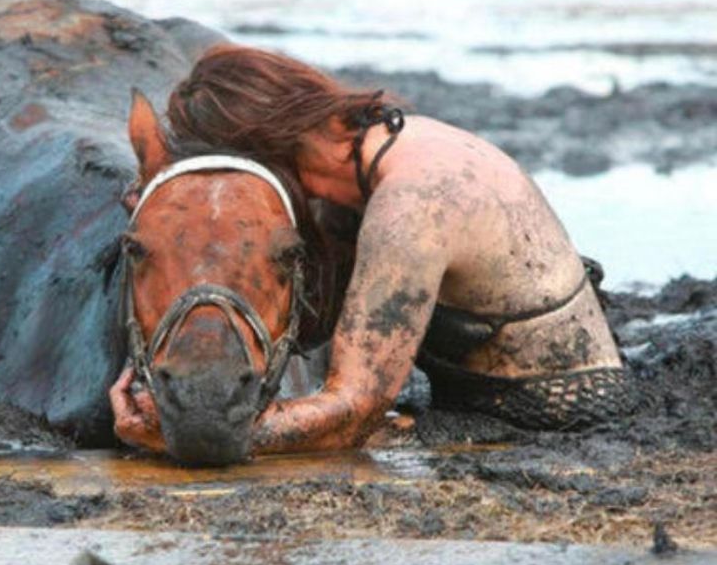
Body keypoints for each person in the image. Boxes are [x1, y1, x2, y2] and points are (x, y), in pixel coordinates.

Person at [112, 45, 632, 456]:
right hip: (488, 393)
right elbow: (315, 325)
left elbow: (353, 412)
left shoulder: (411, 207)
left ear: (264, 145)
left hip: (545, 415)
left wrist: (189, 432)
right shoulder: (379, 157)